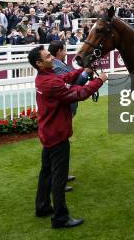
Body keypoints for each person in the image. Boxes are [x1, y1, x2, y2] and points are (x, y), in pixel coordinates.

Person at [28, 45, 107, 229]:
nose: (52, 59)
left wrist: (84, 70)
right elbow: (78, 93)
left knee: (46, 173)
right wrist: (99, 81)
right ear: (39, 63)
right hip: (57, 135)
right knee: (58, 178)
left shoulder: (44, 77)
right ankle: (60, 218)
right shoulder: (50, 83)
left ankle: (42, 207)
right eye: (48, 57)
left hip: (48, 133)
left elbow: (65, 77)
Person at [48, 40, 90, 192]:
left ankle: (62, 175)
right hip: (62, 109)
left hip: (65, 108)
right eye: (65, 50)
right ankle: (58, 181)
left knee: (63, 143)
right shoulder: (56, 67)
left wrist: (84, 72)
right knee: (60, 145)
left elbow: (72, 79)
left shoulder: (60, 65)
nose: (66, 53)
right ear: (59, 51)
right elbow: (73, 86)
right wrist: (86, 73)